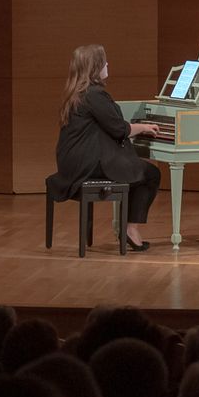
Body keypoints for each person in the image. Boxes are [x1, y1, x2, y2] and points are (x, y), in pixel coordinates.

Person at [51, 43, 161, 251]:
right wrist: (145, 127)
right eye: (104, 61)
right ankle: (130, 229)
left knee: (136, 169)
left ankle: (127, 226)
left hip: (72, 162)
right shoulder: (94, 95)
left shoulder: (77, 93)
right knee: (150, 173)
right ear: (95, 67)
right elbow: (118, 129)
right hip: (87, 164)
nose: (108, 64)